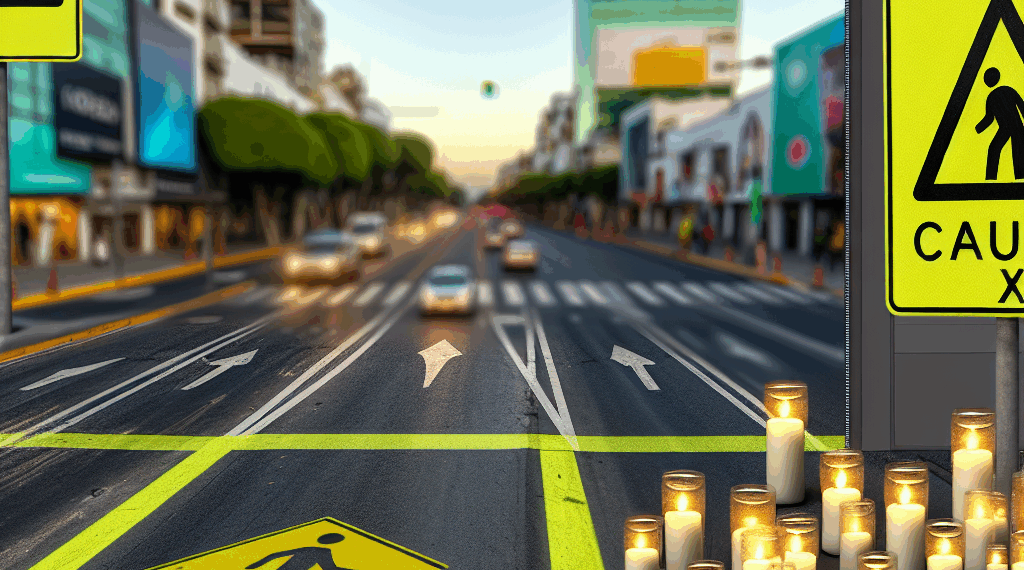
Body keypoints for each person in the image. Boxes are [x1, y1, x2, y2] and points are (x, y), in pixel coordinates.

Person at [976, 66, 1024, 180]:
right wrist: (976, 129)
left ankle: (992, 179)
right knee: (1012, 151)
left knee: (1004, 150)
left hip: (1010, 128)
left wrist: (977, 129)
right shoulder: (1006, 91)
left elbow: (989, 119)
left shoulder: (991, 97)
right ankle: (992, 179)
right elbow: (990, 118)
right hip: (1012, 127)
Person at [246, 533, 353, 570]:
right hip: (311, 554)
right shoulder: (323, 552)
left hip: (310, 554)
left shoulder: (322, 552)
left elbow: (275, 555)